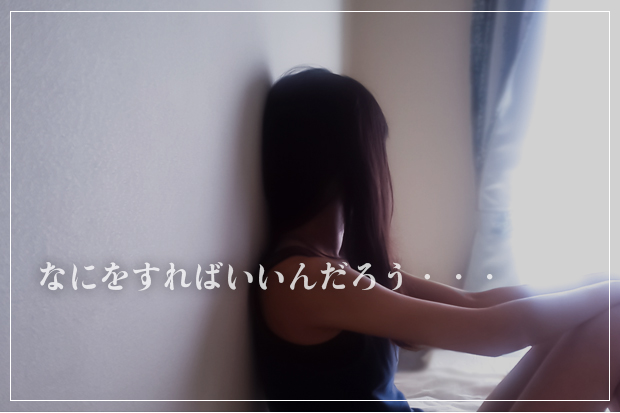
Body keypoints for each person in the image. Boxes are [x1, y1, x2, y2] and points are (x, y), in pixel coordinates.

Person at [249, 67, 620, 412]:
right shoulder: (304, 278)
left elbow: (474, 303)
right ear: (352, 159)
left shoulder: (338, 264)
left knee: (599, 319)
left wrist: (595, 284)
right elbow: (492, 334)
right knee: (613, 327)